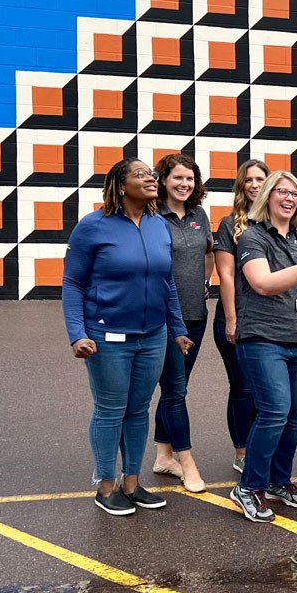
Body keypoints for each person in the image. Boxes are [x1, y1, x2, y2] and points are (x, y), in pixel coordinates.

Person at [62, 158, 188, 516]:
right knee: (110, 409)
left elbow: (167, 283)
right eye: (140, 174)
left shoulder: (157, 226)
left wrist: (177, 329)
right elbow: (72, 283)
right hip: (107, 337)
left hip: (153, 336)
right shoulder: (92, 227)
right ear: (120, 185)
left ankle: (131, 484)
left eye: (151, 174)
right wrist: (77, 334)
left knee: (138, 411)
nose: (150, 178)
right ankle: (105, 486)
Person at [230, 171, 297, 524]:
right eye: (281, 192)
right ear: (267, 197)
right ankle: (248, 487)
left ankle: (277, 480)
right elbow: (263, 283)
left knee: (292, 416)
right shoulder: (253, 238)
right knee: (274, 411)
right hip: (262, 339)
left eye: (294, 194)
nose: (289, 198)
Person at [150, 153, 213, 494]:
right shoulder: (151, 216)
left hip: (195, 315)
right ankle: (187, 464)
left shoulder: (199, 215)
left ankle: (162, 456)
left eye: (189, 178)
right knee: (176, 391)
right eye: (177, 178)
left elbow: (207, 252)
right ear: (162, 180)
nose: (184, 184)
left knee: (176, 387)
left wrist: (205, 284)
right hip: (163, 319)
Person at [213, 159, 269, 474]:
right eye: (248, 180)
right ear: (241, 185)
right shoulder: (229, 224)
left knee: (267, 388)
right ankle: (242, 451)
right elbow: (227, 275)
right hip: (236, 318)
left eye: (260, 178)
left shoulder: (277, 221)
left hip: (269, 319)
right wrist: (232, 320)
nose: (254, 185)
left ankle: (261, 447)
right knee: (244, 386)